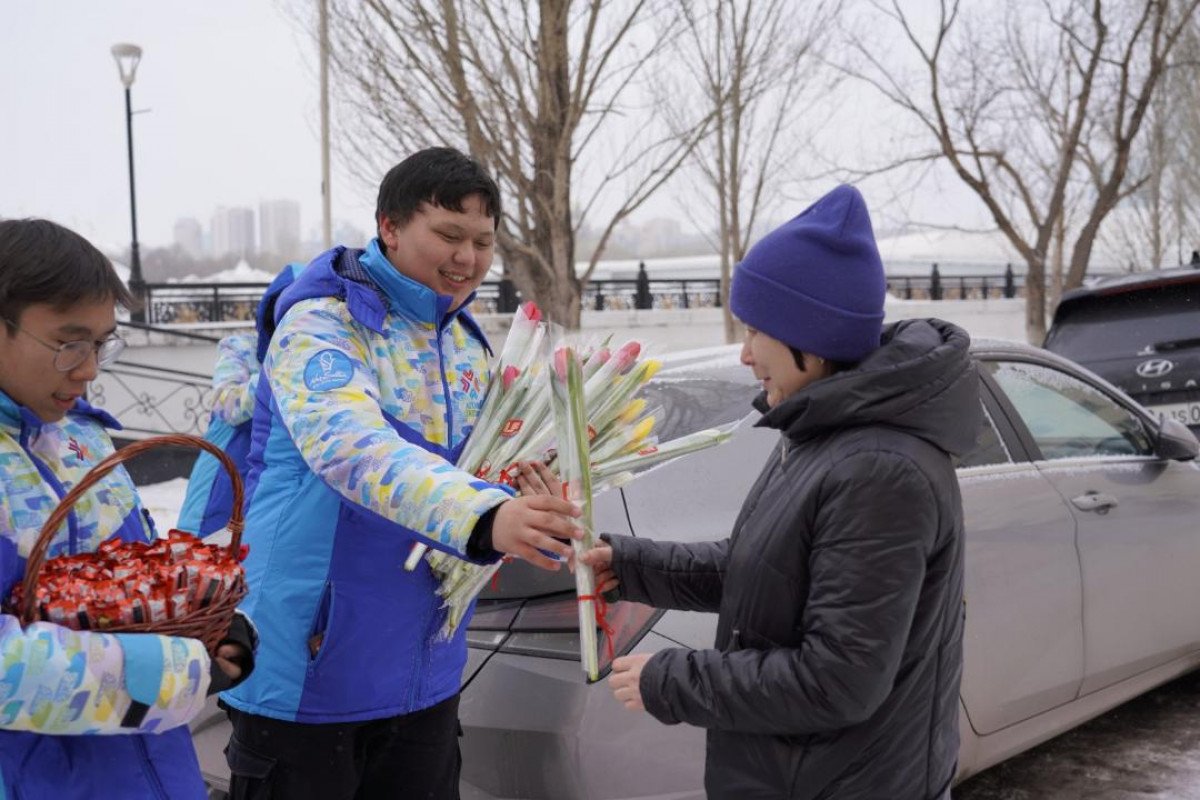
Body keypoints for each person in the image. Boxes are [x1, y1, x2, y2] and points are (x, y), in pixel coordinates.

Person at [580, 185, 981, 799]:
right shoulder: (825, 435)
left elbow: (838, 679)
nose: (744, 354)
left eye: (755, 331)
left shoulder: (880, 470)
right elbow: (763, 571)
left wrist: (673, 680)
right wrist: (631, 565)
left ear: (811, 338)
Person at [221, 147, 582, 799]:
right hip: (310, 672)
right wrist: (487, 516)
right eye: (448, 235)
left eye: (482, 241)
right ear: (389, 225)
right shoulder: (324, 321)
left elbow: (483, 468)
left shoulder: (465, 342)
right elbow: (350, 448)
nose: (467, 259)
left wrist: (532, 497)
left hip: (426, 676)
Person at [0, 218, 255, 798]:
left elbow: (137, 580)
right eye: (69, 344)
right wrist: (183, 670)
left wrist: (218, 625)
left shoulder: (77, 436)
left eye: (101, 343)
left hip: (157, 772)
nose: (89, 370)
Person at [176, 263, 304, 537]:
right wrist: (284, 367)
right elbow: (228, 403)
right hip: (221, 486)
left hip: (270, 496)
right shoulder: (240, 348)